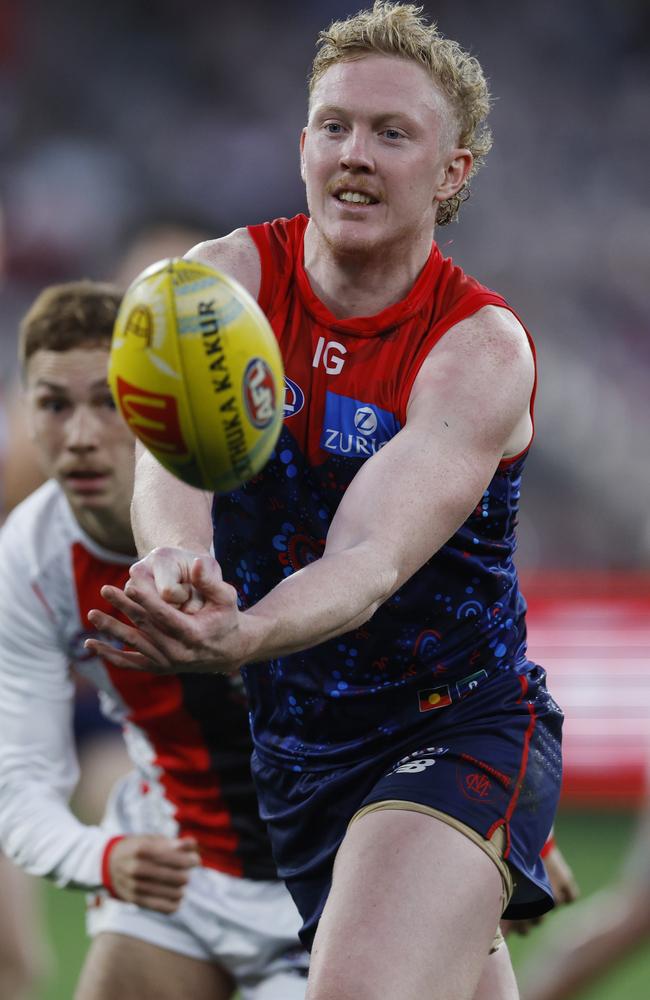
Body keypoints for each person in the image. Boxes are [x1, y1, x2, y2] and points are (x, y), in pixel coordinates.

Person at [86, 4, 564, 998]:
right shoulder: (215, 285)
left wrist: (241, 633)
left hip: (451, 727)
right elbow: (169, 459)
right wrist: (176, 558)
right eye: (335, 125)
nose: (355, 152)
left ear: (451, 172)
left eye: (392, 133)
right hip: (296, 750)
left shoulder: (476, 350)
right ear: (301, 145)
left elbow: (367, 560)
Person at [0, 281, 308, 1000]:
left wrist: (477, 824)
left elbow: (411, 661)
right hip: (181, 879)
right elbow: (22, 783)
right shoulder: (30, 556)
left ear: (156, 399)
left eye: (108, 401)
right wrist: (101, 856)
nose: (79, 435)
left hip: (329, 870)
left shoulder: (262, 505)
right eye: (53, 404)